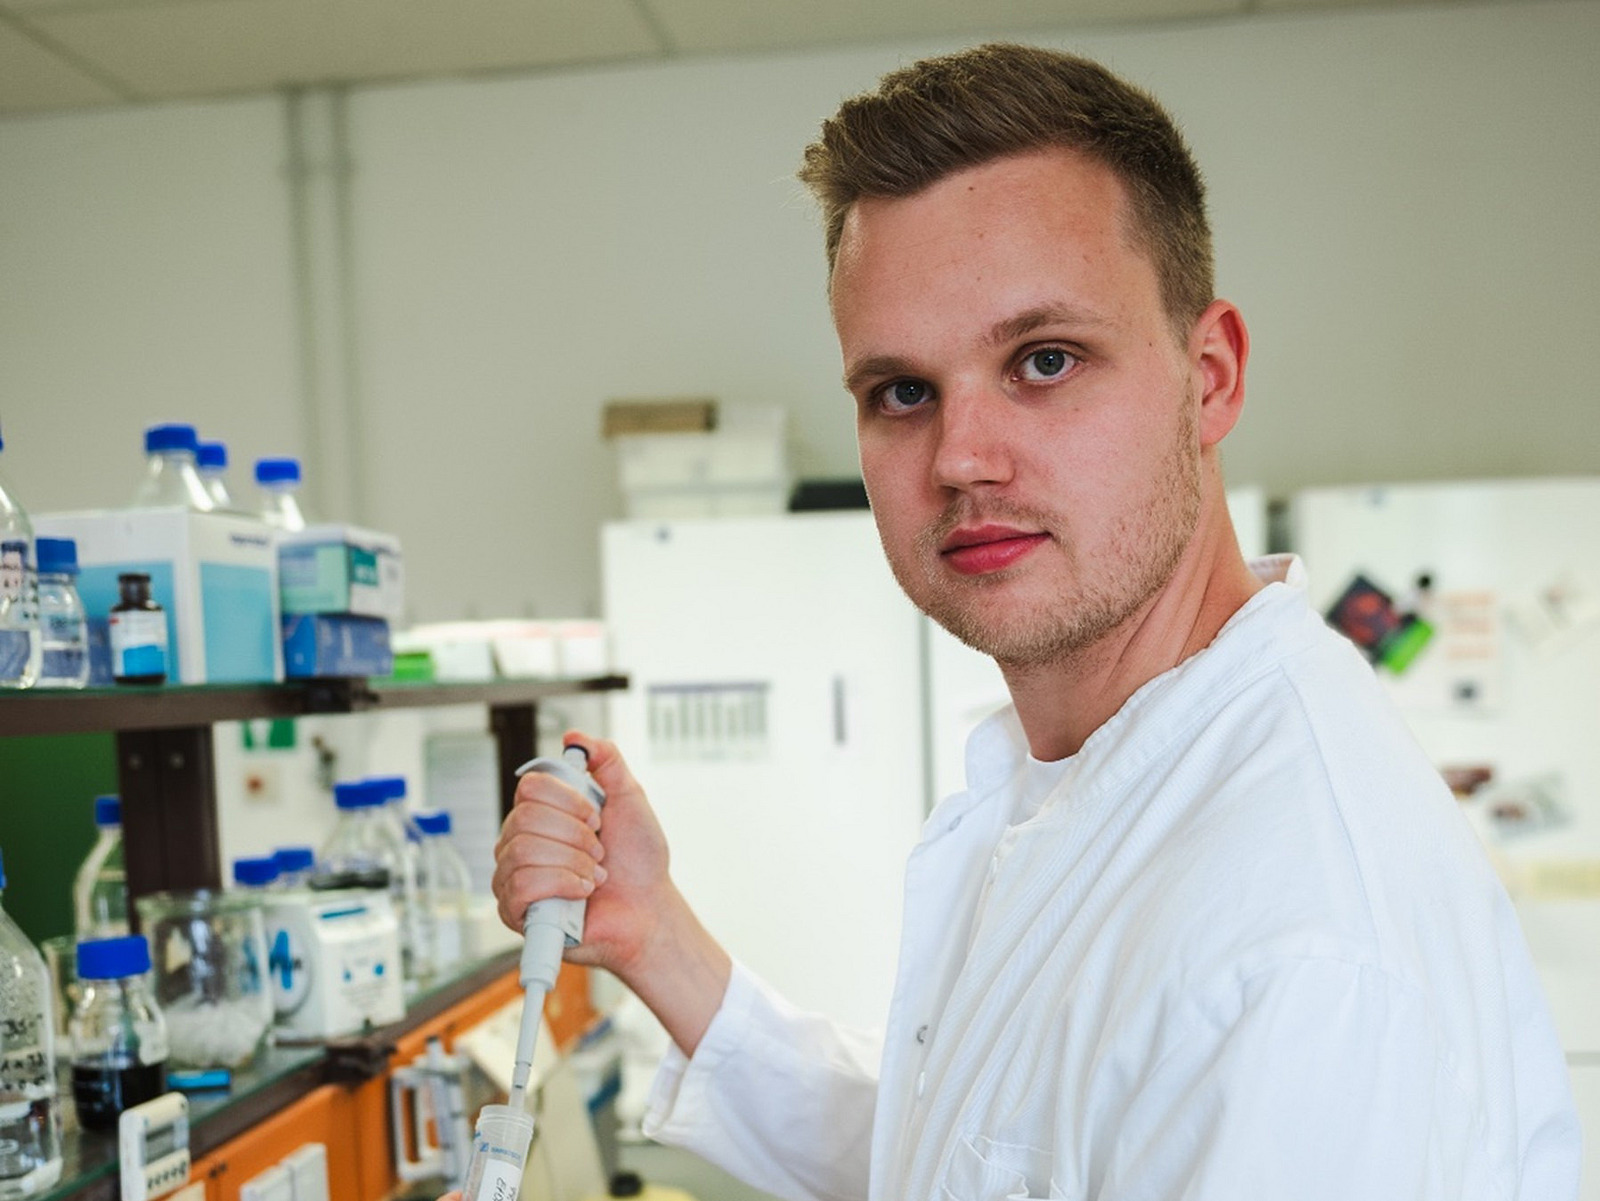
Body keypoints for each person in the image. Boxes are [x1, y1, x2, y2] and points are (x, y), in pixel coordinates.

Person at [478, 43, 1580, 1201]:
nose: (960, 458)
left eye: (1043, 361)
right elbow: (977, 1155)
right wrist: (654, 936)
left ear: (1208, 377)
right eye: (900, 391)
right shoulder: (1115, 769)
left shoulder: (1296, 947)